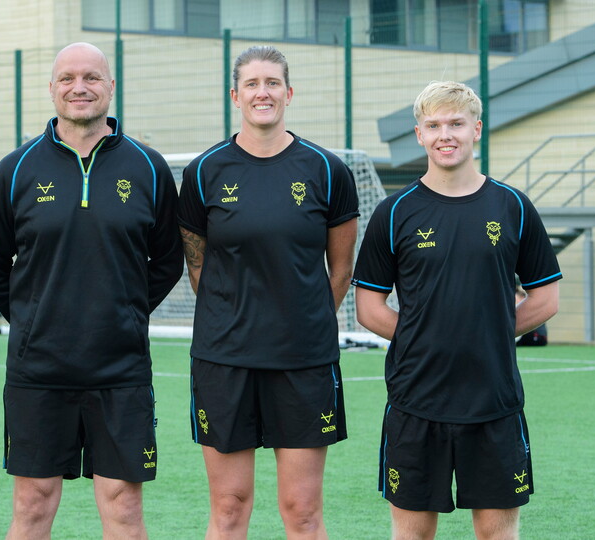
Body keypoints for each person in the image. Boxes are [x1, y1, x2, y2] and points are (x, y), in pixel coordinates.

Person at [0, 42, 183, 539]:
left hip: (121, 369)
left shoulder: (149, 168)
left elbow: (168, 262)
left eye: (91, 77)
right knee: (32, 504)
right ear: (51, 89)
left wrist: (124, 315)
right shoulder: (16, 169)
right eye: (67, 78)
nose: (79, 87)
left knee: (124, 505)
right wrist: (35, 319)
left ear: (110, 86)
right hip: (39, 369)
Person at [352, 81, 561, 540]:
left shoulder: (513, 206)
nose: (446, 134)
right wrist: (423, 339)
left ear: (476, 130)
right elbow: (369, 306)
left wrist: (492, 333)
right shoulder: (394, 212)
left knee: (497, 534)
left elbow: (545, 298)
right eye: (434, 125)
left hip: (494, 400)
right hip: (416, 400)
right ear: (420, 135)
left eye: (456, 124)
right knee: (412, 535)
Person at [178, 45, 359, 539]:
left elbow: (339, 270)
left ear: (289, 93)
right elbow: (198, 267)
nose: (264, 92)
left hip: (302, 361)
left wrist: (302, 319)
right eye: (253, 84)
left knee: (301, 510)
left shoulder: (326, 170)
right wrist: (233, 316)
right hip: (224, 360)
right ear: (236, 96)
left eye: (273, 83)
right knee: (230, 508)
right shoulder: (204, 171)